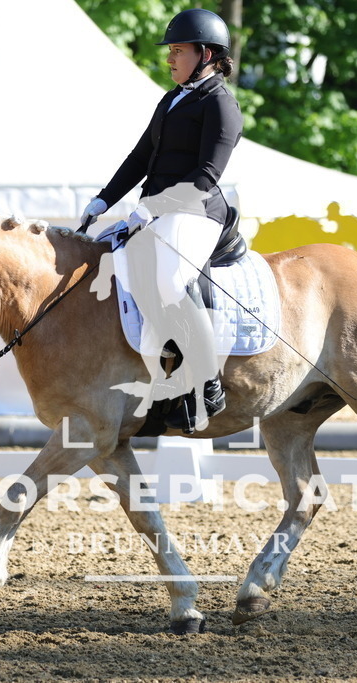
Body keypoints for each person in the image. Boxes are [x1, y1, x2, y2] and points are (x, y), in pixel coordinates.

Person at [80, 8, 243, 433]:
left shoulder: (221, 104)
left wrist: (156, 205)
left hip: (197, 212)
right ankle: (151, 380)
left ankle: (207, 385)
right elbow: (140, 158)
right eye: (170, 51)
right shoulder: (172, 98)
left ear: (206, 53)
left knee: (170, 283)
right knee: (111, 270)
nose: (170, 59)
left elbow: (207, 175)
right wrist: (103, 200)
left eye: (177, 51)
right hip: (153, 209)